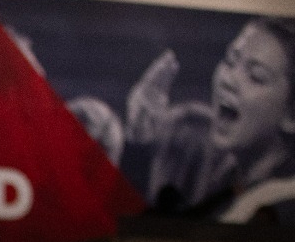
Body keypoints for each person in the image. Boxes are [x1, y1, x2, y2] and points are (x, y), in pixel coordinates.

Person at [126, 17, 295, 224]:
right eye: (230, 60)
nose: (228, 79)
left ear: (292, 115)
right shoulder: (227, 182)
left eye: (255, 76)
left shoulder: (278, 209)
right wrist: (141, 138)